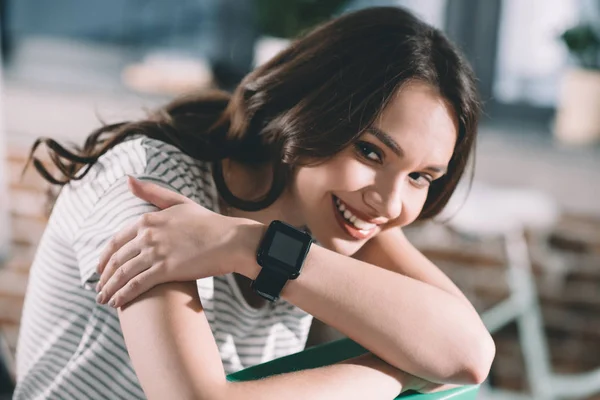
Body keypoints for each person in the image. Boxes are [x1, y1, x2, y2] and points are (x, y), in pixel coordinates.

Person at [15, 6, 495, 399]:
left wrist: (251, 246)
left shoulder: (350, 217)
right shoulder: (151, 184)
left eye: (420, 177)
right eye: (370, 151)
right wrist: (399, 374)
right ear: (310, 112)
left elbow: (469, 354)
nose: (390, 202)